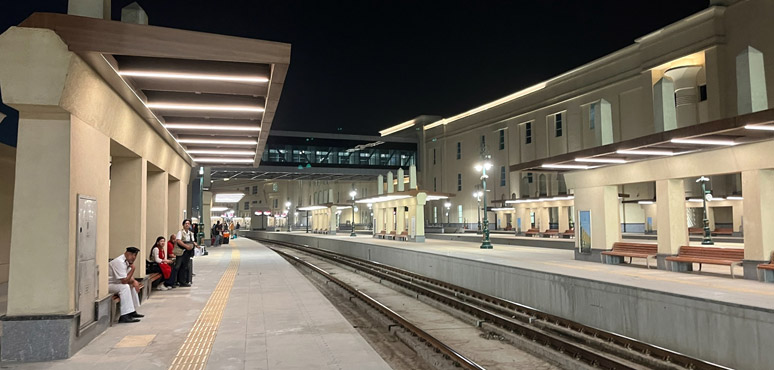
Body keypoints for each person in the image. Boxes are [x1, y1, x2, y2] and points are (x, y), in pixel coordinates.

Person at [108, 247, 145, 323]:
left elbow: (128, 277)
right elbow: (124, 280)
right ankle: (124, 315)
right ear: (127, 253)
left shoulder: (126, 261)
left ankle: (132, 311)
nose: (134, 258)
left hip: (117, 283)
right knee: (125, 287)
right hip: (109, 285)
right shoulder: (119, 262)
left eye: (135, 256)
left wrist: (134, 281)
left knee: (131, 286)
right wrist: (133, 269)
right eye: (132, 255)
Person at [174, 219, 197, 287]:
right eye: (186, 223)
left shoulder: (190, 233)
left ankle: (183, 281)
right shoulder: (180, 232)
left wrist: (195, 245)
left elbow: (192, 241)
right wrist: (186, 246)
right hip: (181, 251)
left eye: (188, 223)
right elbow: (178, 241)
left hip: (188, 252)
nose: (187, 225)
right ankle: (174, 281)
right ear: (183, 225)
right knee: (178, 266)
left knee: (185, 266)